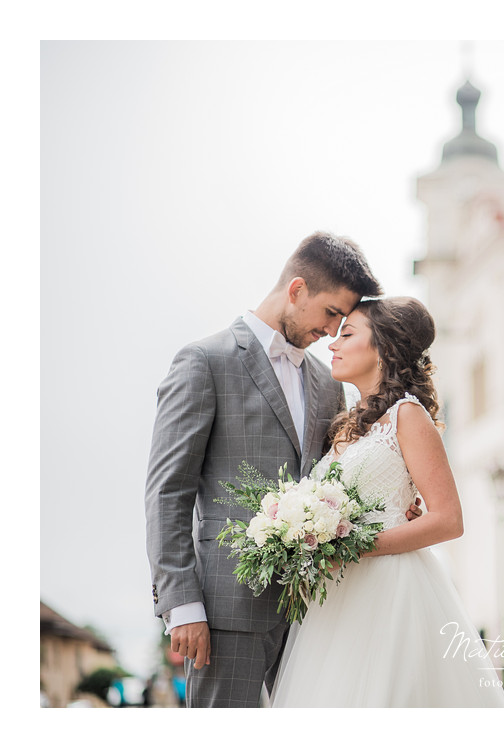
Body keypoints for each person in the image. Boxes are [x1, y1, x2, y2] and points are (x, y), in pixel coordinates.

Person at [145, 231, 420, 708]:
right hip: (224, 609)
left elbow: (333, 477)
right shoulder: (204, 361)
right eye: (332, 312)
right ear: (297, 291)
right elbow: (168, 492)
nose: (334, 331)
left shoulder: (325, 381)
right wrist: (180, 604)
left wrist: (395, 503)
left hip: (316, 611)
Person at [269, 297, 504, 707]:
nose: (332, 344)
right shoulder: (347, 424)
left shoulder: (408, 416)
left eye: (347, 334)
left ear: (383, 347)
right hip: (337, 598)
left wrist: (352, 546)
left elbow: (449, 519)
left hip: (390, 590)